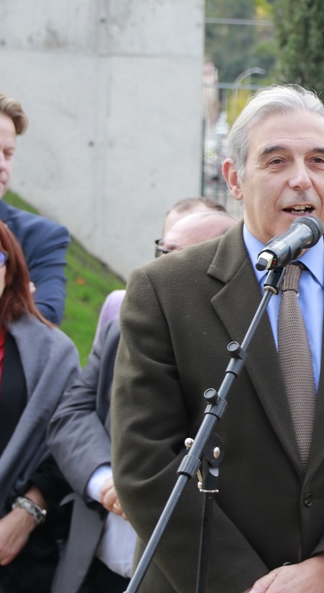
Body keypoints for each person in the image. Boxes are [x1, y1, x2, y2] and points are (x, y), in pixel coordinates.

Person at [110, 85, 324, 593]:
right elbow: (144, 461)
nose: (301, 179)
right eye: (277, 160)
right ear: (234, 179)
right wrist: (247, 585)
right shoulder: (164, 290)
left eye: (319, 161)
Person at [48, 209, 238, 593]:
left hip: (193, 574)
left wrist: (144, 489)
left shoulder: (247, 350)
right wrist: (106, 480)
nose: (165, 270)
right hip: (99, 567)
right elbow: (72, 415)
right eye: (164, 253)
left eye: (186, 257)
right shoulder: (121, 330)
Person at [0, 205, 80, 591]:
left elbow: (67, 444)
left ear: (10, 270)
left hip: (21, 559)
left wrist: (26, 514)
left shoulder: (53, 353)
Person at [0, 82, 70, 325]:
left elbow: (45, 318)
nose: (0, 165)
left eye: (8, 153)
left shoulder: (41, 237)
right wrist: (12, 302)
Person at [91, 197, 227, 348]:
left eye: (185, 251)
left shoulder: (232, 319)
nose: (168, 261)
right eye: (167, 249)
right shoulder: (117, 305)